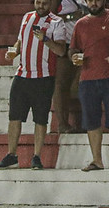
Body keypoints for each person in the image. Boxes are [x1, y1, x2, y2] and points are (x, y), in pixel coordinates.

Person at [0, 0, 65, 170]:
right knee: (14, 116)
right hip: (22, 75)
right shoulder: (27, 17)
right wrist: (14, 51)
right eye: (38, 2)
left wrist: (45, 39)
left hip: (43, 77)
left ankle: (36, 156)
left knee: (40, 119)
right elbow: (19, 41)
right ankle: (12, 154)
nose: (40, 6)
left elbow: (61, 50)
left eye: (44, 3)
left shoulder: (57, 22)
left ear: (50, 4)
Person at [70, 0, 109, 172]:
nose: (93, 3)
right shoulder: (80, 24)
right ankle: (97, 160)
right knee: (91, 120)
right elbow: (73, 49)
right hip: (87, 79)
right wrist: (74, 57)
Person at [53, 0, 86, 134]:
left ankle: (83, 123)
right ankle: (63, 123)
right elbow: (47, 17)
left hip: (86, 42)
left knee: (80, 84)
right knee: (61, 84)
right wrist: (71, 17)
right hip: (65, 41)